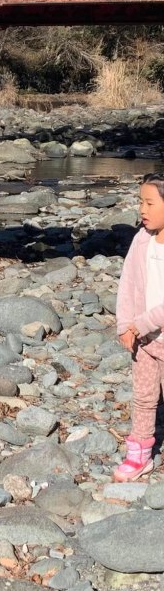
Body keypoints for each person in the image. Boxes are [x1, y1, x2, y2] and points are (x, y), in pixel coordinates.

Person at [115, 172, 164, 481]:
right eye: (140, 202)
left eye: (149, 202)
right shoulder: (141, 239)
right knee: (144, 397)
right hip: (143, 340)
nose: (142, 210)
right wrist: (124, 324)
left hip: (149, 329)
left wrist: (140, 323)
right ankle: (140, 454)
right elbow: (128, 283)